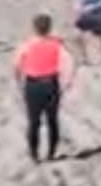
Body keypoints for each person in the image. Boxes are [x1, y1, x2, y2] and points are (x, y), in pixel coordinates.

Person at [13, 13, 77, 163]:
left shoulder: (27, 45)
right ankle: (51, 153)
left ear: (34, 28)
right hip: (51, 84)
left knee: (34, 121)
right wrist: (66, 83)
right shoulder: (57, 44)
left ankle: (34, 154)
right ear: (49, 28)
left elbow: (16, 65)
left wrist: (18, 82)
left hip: (33, 85)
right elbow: (70, 63)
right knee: (52, 120)